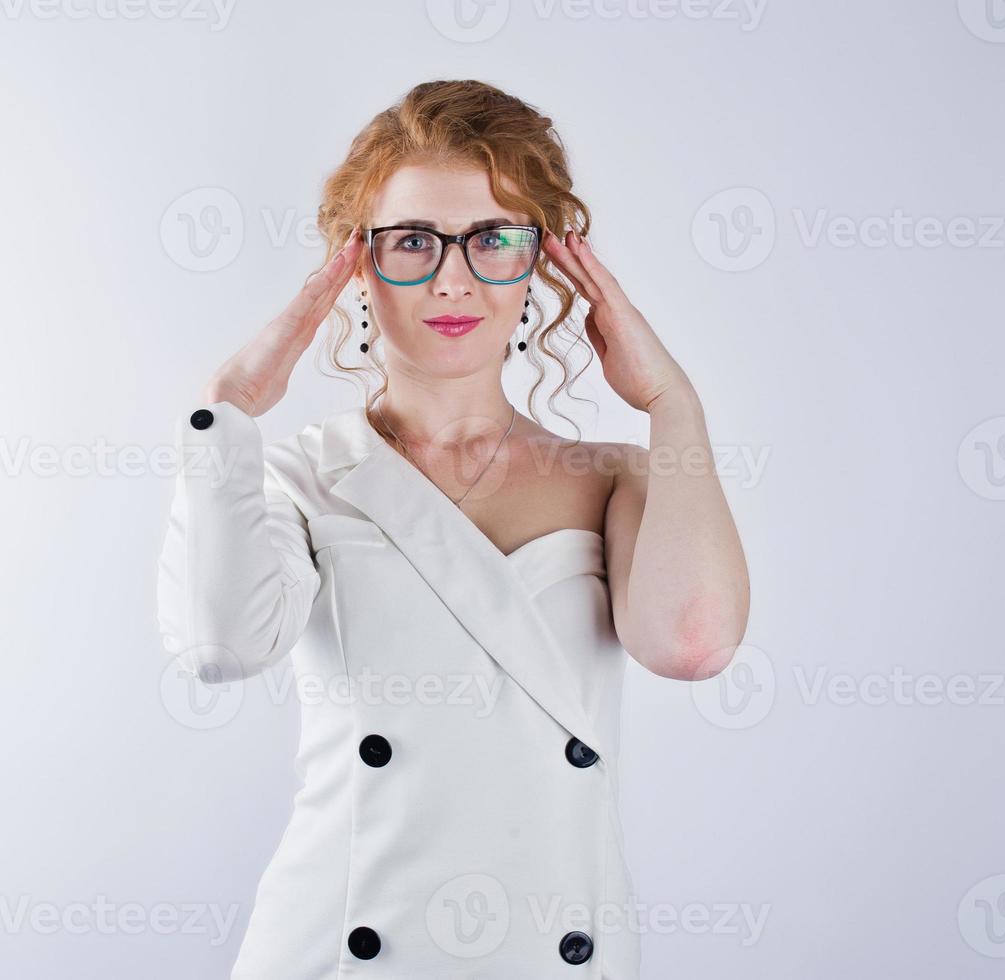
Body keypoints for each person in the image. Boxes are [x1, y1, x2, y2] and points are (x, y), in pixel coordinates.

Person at [156, 79, 750, 978]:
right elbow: (219, 646)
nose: (452, 277)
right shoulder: (297, 474)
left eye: (492, 239)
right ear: (356, 262)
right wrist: (227, 410)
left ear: (541, 262)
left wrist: (673, 403)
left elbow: (692, 644)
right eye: (412, 241)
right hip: (337, 946)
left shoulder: (617, 477)